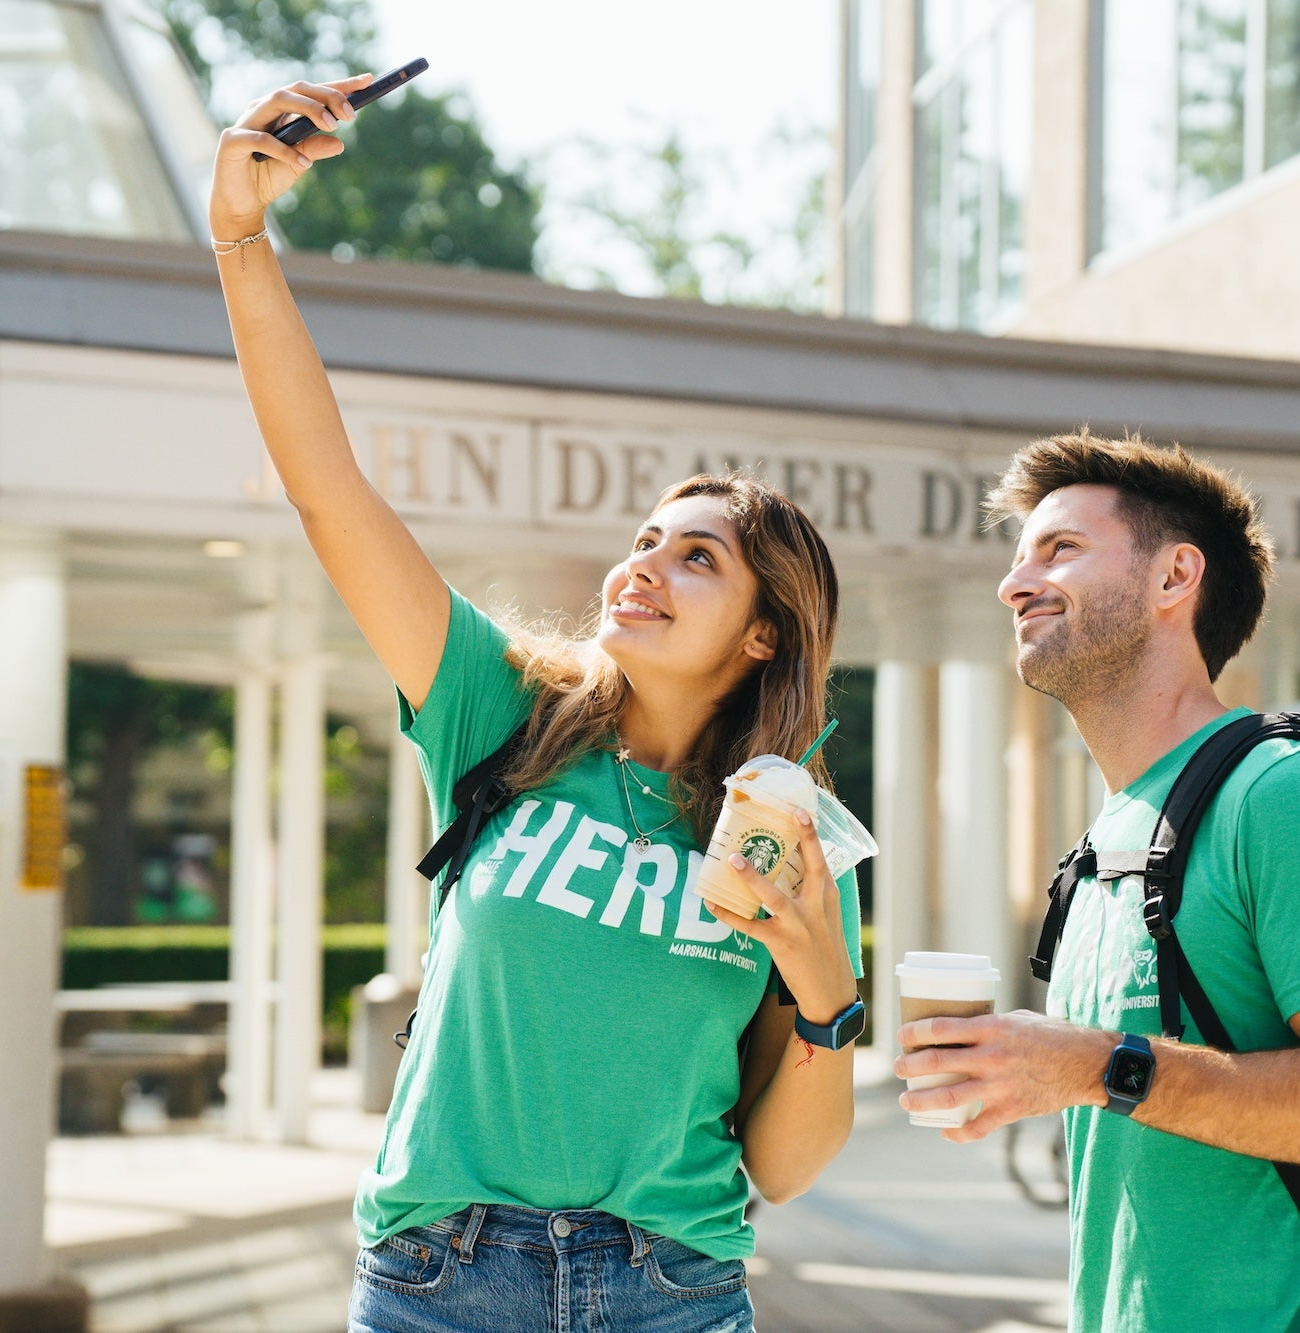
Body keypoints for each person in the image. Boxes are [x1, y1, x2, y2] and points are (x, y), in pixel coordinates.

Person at [209, 78, 866, 1333]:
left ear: (764, 631)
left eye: (696, 557)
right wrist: (241, 234)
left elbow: (781, 1164)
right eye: (644, 540)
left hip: (667, 1286)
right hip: (438, 1279)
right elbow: (327, 490)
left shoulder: (789, 830)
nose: (644, 565)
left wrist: (823, 977)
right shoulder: (496, 710)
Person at [898, 431, 1300, 1331]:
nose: (1013, 582)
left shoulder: (1288, 794)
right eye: (1019, 554)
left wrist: (1091, 1065)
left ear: (1173, 577)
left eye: (1060, 547)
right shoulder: (1112, 835)